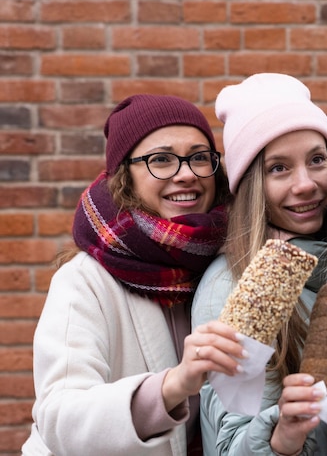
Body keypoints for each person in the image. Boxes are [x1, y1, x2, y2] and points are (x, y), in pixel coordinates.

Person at [22, 94, 247, 456]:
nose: (186, 173)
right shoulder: (84, 282)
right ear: (124, 175)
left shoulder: (229, 267)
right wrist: (173, 385)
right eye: (161, 159)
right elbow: (59, 418)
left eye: (199, 157)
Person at [191, 73, 327, 456]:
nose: (305, 183)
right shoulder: (233, 286)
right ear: (252, 185)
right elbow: (231, 444)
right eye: (279, 168)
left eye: (317, 159)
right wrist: (284, 435)